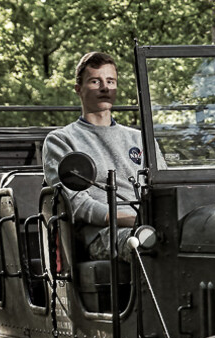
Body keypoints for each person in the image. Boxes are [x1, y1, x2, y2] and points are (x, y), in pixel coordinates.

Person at [43, 51, 144, 259]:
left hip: (149, 224)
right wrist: (131, 220)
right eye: (95, 81)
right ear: (78, 89)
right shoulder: (61, 140)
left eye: (110, 81)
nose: (105, 87)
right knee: (144, 244)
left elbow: (164, 186)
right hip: (101, 234)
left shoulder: (139, 139)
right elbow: (75, 203)